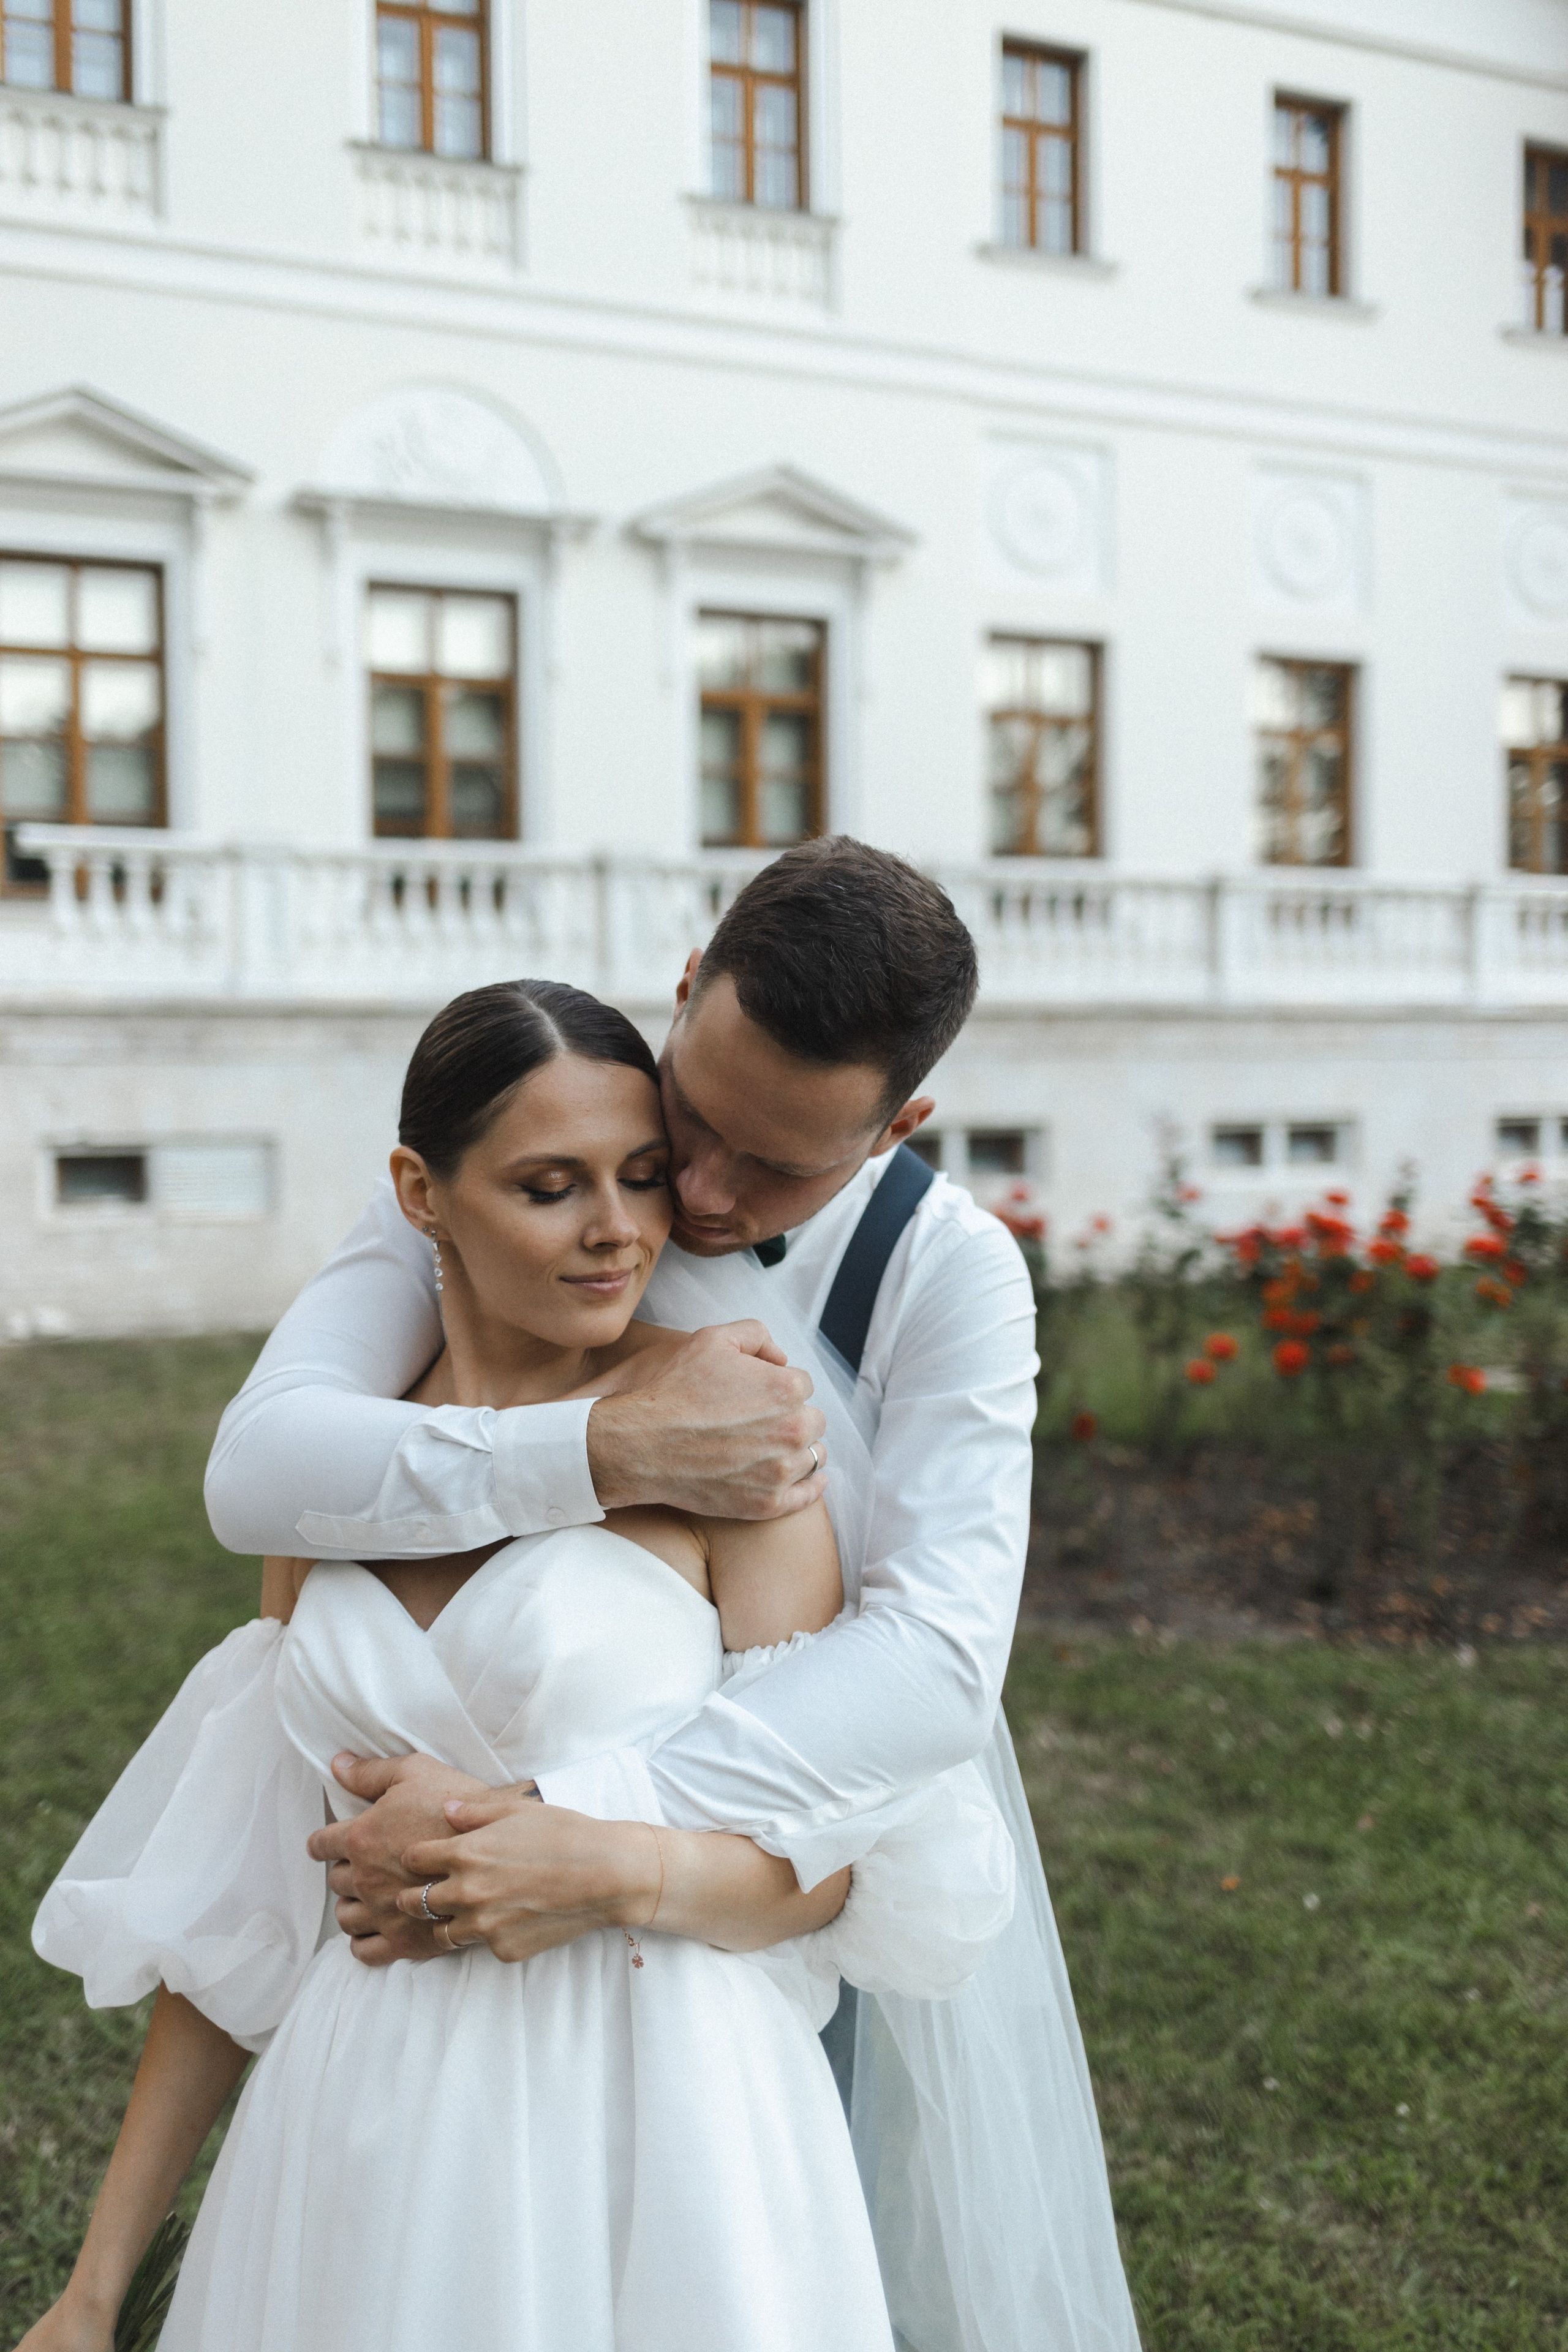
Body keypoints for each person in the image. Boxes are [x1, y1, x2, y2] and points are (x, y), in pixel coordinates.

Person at [195, 838, 1142, 2352]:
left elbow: (928, 1673)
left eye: (772, 1164)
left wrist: (567, 1819)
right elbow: (262, 1474)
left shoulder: (945, 1275)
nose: (691, 1194)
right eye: (690, 1119)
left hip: (786, 1857)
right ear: (686, 989)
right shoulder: (540, 1137)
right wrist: (593, 1448)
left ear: (899, 1124)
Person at [25, 978, 1016, 2352]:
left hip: (657, 2106)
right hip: (358, 2105)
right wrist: (92, 2287)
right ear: (420, 1198)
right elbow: (245, 1904)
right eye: (551, 1187)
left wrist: (582, 1848)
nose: (623, 1231)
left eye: (640, 1177)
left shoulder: (737, 1441)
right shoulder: (337, 1480)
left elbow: (826, 1869)